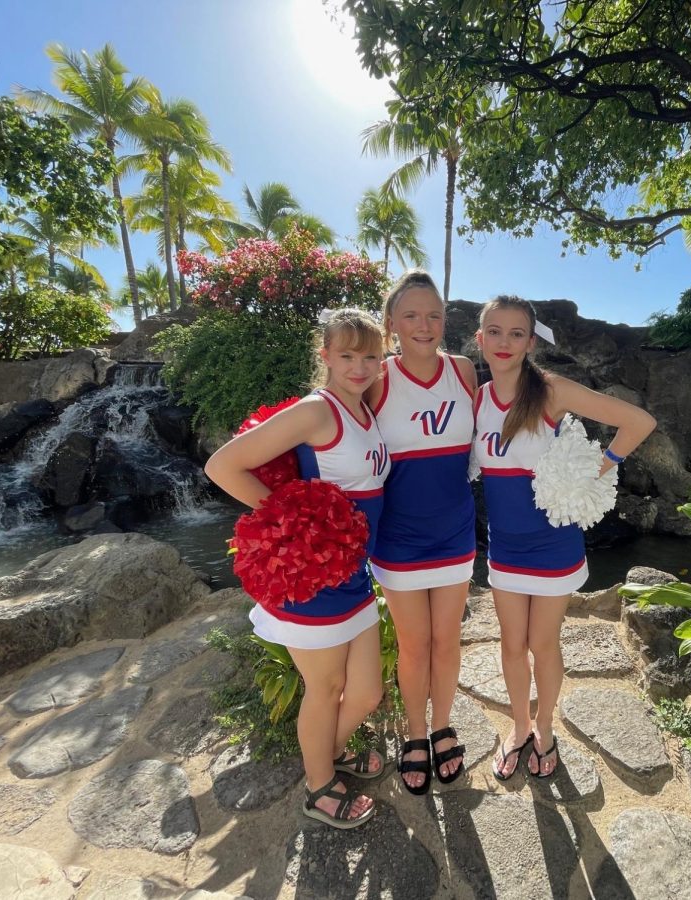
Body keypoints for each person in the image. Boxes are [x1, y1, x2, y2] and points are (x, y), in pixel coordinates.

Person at [204, 308, 389, 829]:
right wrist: (288, 523)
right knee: (325, 690)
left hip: (354, 577)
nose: (359, 366)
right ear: (324, 355)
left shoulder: (364, 409)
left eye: (370, 355)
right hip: (317, 583)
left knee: (368, 692)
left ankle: (326, 755)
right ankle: (318, 787)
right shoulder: (316, 411)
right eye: (347, 355)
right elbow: (222, 466)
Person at [474, 296, 656, 779]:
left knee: (542, 643)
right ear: (480, 340)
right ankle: (518, 728)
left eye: (517, 333)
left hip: (554, 546)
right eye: (495, 331)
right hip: (506, 547)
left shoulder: (551, 390)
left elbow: (638, 422)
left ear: (531, 342)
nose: (505, 342)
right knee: (511, 645)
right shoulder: (476, 400)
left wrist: (601, 470)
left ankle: (545, 728)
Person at [366, 271, 477, 795]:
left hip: (455, 532)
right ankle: (414, 733)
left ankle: (441, 727)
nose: (424, 325)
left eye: (433, 314)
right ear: (391, 324)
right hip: (399, 538)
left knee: (446, 638)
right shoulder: (376, 379)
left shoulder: (463, 371)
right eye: (411, 315)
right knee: (414, 645)